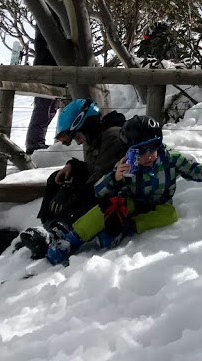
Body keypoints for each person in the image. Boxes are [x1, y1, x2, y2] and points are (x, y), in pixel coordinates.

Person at [45, 115, 202, 265]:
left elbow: (191, 170)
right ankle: (71, 240)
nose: (149, 154)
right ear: (130, 150)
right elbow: (99, 192)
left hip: (158, 204)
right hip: (129, 203)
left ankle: (124, 228)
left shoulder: (170, 158)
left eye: (154, 146)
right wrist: (115, 177)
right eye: (141, 151)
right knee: (104, 209)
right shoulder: (126, 164)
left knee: (170, 214)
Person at [14, 98, 128, 259]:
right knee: (56, 177)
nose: (78, 141)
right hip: (104, 183)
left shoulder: (112, 136)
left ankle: (56, 233)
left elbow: (100, 177)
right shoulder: (96, 137)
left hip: (117, 192)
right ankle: (48, 227)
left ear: (86, 124)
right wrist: (73, 166)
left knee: (87, 192)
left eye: (77, 136)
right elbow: (94, 168)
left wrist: (68, 206)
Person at [24, 25, 59, 155]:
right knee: (43, 108)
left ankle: (37, 142)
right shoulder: (46, 20)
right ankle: (34, 144)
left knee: (50, 109)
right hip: (46, 68)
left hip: (54, 68)